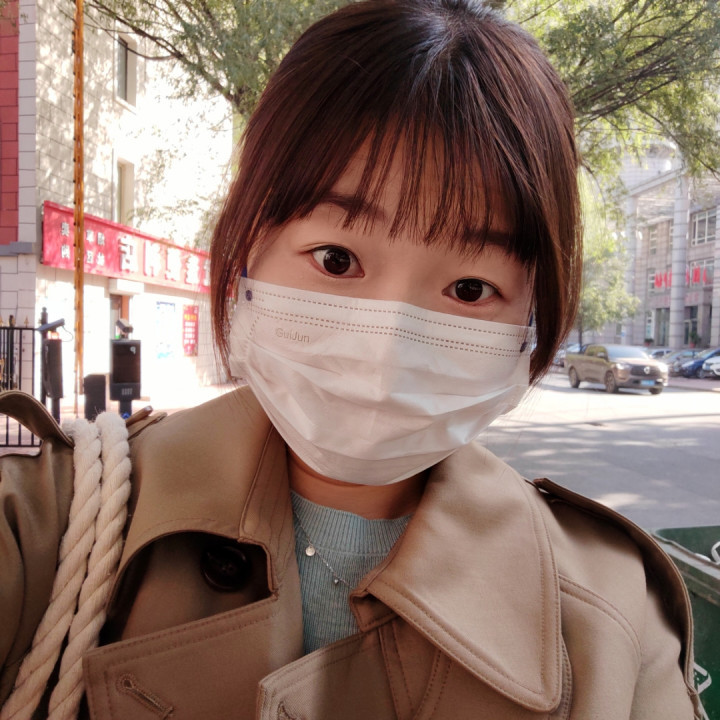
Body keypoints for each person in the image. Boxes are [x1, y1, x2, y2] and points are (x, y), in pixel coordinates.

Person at [0, 1, 702, 718]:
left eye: (469, 288)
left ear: (534, 315)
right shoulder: (49, 523)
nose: (386, 347)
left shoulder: (612, 615)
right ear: (248, 247)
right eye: (336, 259)